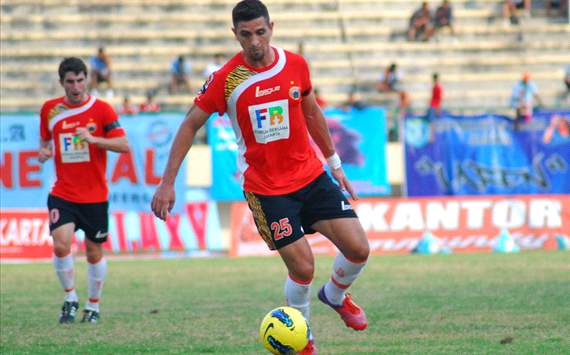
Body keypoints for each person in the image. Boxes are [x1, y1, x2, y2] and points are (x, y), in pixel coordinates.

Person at [150, 1, 369, 354]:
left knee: (359, 248)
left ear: (272, 27)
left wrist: (335, 164)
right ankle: (303, 340)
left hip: (311, 177)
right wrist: (167, 181)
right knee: (303, 265)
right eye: (246, 34)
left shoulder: (295, 65)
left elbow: (311, 112)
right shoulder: (226, 79)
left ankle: (335, 295)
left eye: (260, 32)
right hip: (268, 190)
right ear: (235, 34)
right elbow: (190, 123)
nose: (254, 41)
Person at [38, 57, 129, 324]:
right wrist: (44, 151)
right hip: (63, 192)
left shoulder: (102, 111)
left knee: (93, 252)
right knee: (61, 244)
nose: (76, 86)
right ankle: (70, 299)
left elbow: (123, 144)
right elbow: (45, 140)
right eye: (70, 82)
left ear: (87, 79)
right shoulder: (50, 110)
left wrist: (94, 139)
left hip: (95, 196)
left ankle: (93, 305)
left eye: (80, 80)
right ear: (61, 83)